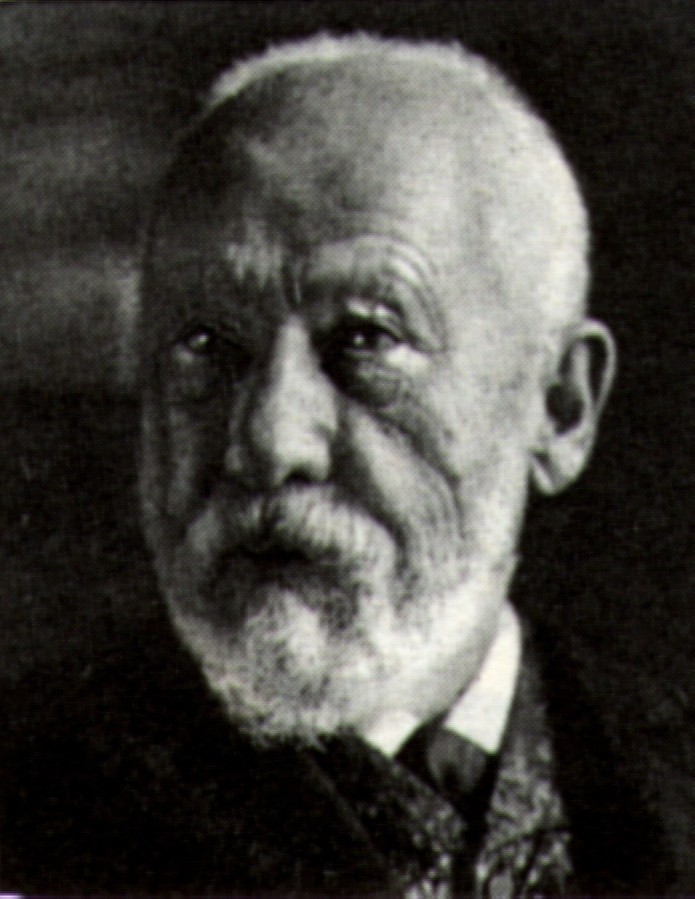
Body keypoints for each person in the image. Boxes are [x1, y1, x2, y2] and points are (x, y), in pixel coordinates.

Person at [3, 32, 684, 896]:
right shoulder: (30, 801)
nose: (268, 444)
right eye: (206, 345)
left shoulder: (664, 776)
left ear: (558, 408)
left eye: (365, 337)